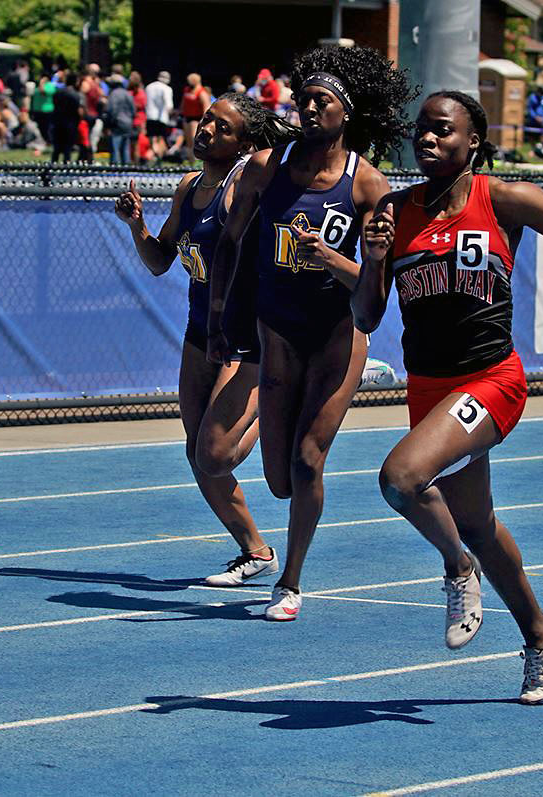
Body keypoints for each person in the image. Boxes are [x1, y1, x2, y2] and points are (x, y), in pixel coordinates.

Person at [351, 90, 543, 703]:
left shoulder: (503, 199)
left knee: (400, 478)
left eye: (443, 130)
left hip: (491, 380)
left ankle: (455, 569)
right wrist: (372, 258)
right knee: (477, 523)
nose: (429, 139)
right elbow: (366, 315)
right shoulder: (392, 211)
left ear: (474, 142)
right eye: (422, 130)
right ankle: (541, 634)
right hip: (429, 388)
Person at [208, 44, 414, 621]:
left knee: (306, 462)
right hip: (276, 331)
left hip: (335, 337)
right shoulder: (265, 168)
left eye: (323, 100)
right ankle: (288, 550)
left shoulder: (369, 186)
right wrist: (220, 318)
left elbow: (375, 293)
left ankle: (291, 581)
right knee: (277, 479)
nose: (309, 107)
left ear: (346, 113)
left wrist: (331, 257)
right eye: (304, 99)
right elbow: (229, 243)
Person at [116, 94, 299, 586]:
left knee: (214, 453)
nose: (207, 130)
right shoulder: (189, 186)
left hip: (247, 335)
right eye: (206, 120)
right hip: (200, 331)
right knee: (198, 456)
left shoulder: (249, 184)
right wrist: (137, 227)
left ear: (245, 142)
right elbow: (159, 261)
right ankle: (256, 551)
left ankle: (283, 397)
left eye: (222, 126)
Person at [51, 70, 83, 163]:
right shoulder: (75, 94)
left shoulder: (58, 92)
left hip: (57, 122)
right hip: (70, 123)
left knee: (56, 149)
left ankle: (52, 167)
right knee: (67, 149)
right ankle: (66, 167)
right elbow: (78, 111)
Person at [181, 73, 212, 161]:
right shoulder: (187, 90)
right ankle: (191, 161)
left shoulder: (201, 92)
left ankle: (196, 161)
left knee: (194, 140)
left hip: (195, 119)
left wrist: (203, 122)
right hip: (186, 118)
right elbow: (183, 103)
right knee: (188, 142)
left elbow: (206, 108)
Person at [106, 73, 136, 165]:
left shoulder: (113, 94)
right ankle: (126, 169)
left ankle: (114, 171)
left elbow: (112, 110)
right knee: (125, 149)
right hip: (128, 124)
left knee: (115, 149)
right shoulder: (128, 94)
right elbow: (133, 110)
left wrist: (109, 123)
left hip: (117, 124)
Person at [145, 70, 174, 161]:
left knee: (152, 138)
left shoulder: (149, 87)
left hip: (149, 116)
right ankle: (158, 157)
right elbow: (169, 105)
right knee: (161, 138)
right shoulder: (167, 89)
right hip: (162, 118)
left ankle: (154, 153)